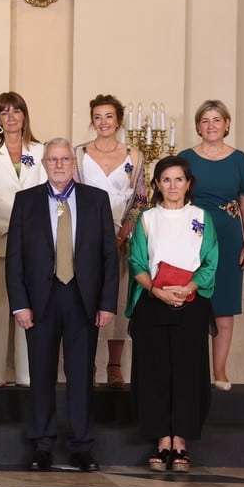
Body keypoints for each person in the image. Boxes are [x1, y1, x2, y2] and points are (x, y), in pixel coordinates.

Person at [6, 138, 119, 472]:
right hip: (41, 299)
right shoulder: (25, 202)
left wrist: (106, 303)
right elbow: (15, 259)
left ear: (74, 162)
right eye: (52, 160)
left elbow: (109, 258)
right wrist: (19, 305)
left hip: (82, 299)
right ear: (43, 164)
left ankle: (82, 447)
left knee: (81, 375)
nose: (58, 165)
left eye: (64, 159)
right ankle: (42, 446)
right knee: (40, 375)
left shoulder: (96, 200)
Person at [126, 156, 219, 473]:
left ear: (188, 183)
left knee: (187, 372)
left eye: (179, 179)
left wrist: (190, 287)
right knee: (156, 372)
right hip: (155, 302)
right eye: (166, 180)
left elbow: (210, 261)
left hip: (191, 303)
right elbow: (137, 262)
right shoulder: (147, 219)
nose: (173, 186)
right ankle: (161, 439)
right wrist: (156, 290)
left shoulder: (201, 218)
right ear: (156, 185)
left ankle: (181, 441)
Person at [178, 100, 244, 390]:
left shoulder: (239, 160)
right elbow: (173, 195)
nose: (211, 126)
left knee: (223, 308)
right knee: (193, 306)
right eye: (205, 120)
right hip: (192, 235)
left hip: (227, 235)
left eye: (216, 120)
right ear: (198, 126)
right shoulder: (186, 157)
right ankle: (193, 373)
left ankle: (220, 372)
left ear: (227, 124)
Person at [74, 94, 147, 389]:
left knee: (115, 299)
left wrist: (121, 234)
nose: (103, 122)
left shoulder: (135, 155)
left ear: (118, 120)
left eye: (108, 116)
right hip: (85, 237)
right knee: (85, 297)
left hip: (121, 236)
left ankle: (114, 364)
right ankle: (86, 362)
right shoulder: (78, 154)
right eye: (97, 117)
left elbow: (141, 198)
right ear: (92, 121)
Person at [0, 91, 45, 387]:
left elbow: (45, 192)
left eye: (16, 111)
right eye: (5, 112)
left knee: (29, 312)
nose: (11, 116)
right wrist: (18, 225)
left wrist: (29, 230)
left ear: (24, 115)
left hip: (34, 244)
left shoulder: (41, 151)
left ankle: (27, 378)